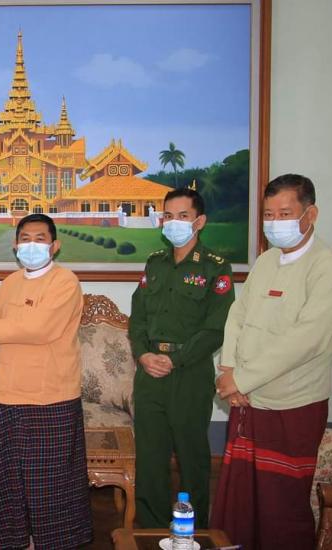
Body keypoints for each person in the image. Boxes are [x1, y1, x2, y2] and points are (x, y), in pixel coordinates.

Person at [211, 174, 332, 550]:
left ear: (311, 214)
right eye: (269, 214)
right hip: (247, 400)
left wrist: (242, 379)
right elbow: (238, 316)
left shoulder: (329, 270)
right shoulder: (266, 261)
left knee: (281, 506)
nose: (275, 222)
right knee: (240, 499)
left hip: (292, 403)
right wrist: (229, 369)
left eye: (285, 213)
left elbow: (305, 341)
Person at [0, 213, 92, 549]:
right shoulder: (12, 282)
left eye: (40, 239)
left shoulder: (65, 282)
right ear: (15, 246)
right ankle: (18, 541)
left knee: (50, 484)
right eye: (25, 239)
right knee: (9, 480)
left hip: (50, 397)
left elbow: (40, 328)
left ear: (54, 246)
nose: (32, 245)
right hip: (8, 394)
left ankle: (52, 543)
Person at [128, 188, 234, 529]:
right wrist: (143, 354)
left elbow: (215, 329)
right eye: (168, 216)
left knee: (193, 459)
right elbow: (138, 319)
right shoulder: (155, 263)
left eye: (183, 216)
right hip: (149, 373)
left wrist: (176, 360)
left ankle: (195, 533)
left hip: (189, 374)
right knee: (150, 458)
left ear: (199, 222)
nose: (174, 223)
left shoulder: (215, 267)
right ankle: (150, 530)